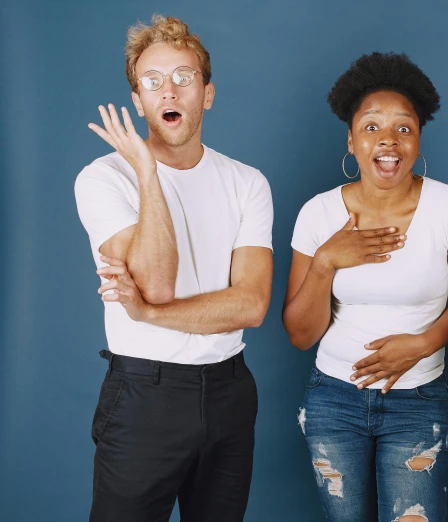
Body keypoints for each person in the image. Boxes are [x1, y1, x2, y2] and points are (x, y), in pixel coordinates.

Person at [74, 15, 273, 522]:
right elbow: (158, 284)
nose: (170, 91)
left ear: (206, 93)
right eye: (152, 81)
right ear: (138, 100)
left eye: (184, 77)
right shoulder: (104, 179)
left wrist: (148, 314)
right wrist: (146, 169)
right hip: (145, 395)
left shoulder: (247, 183)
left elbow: (250, 305)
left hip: (230, 393)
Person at [282, 52, 448, 522]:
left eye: (404, 128)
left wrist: (421, 344)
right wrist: (327, 260)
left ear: (417, 141)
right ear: (351, 140)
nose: (388, 140)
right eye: (371, 126)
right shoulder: (318, 215)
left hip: (419, 400)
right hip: (333, 400)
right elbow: (300, 334)